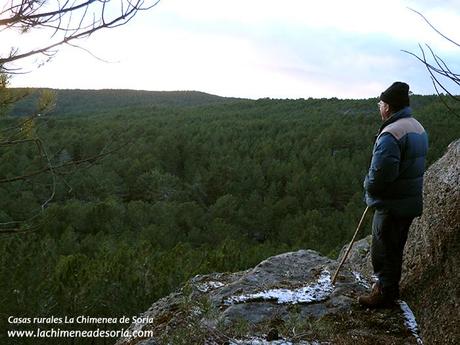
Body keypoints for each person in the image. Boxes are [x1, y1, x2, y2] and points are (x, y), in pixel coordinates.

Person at [358, 81, 428, 308]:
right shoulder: (416, 126)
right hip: (408, 200)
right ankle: (391, 288)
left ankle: (384, 293)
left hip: (391, 203)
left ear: (388, 107)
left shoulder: (391, 133)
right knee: (396, 246)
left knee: (384, 248)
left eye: (381, 103)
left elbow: (382, 174)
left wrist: (368, 186)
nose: (379, 107)